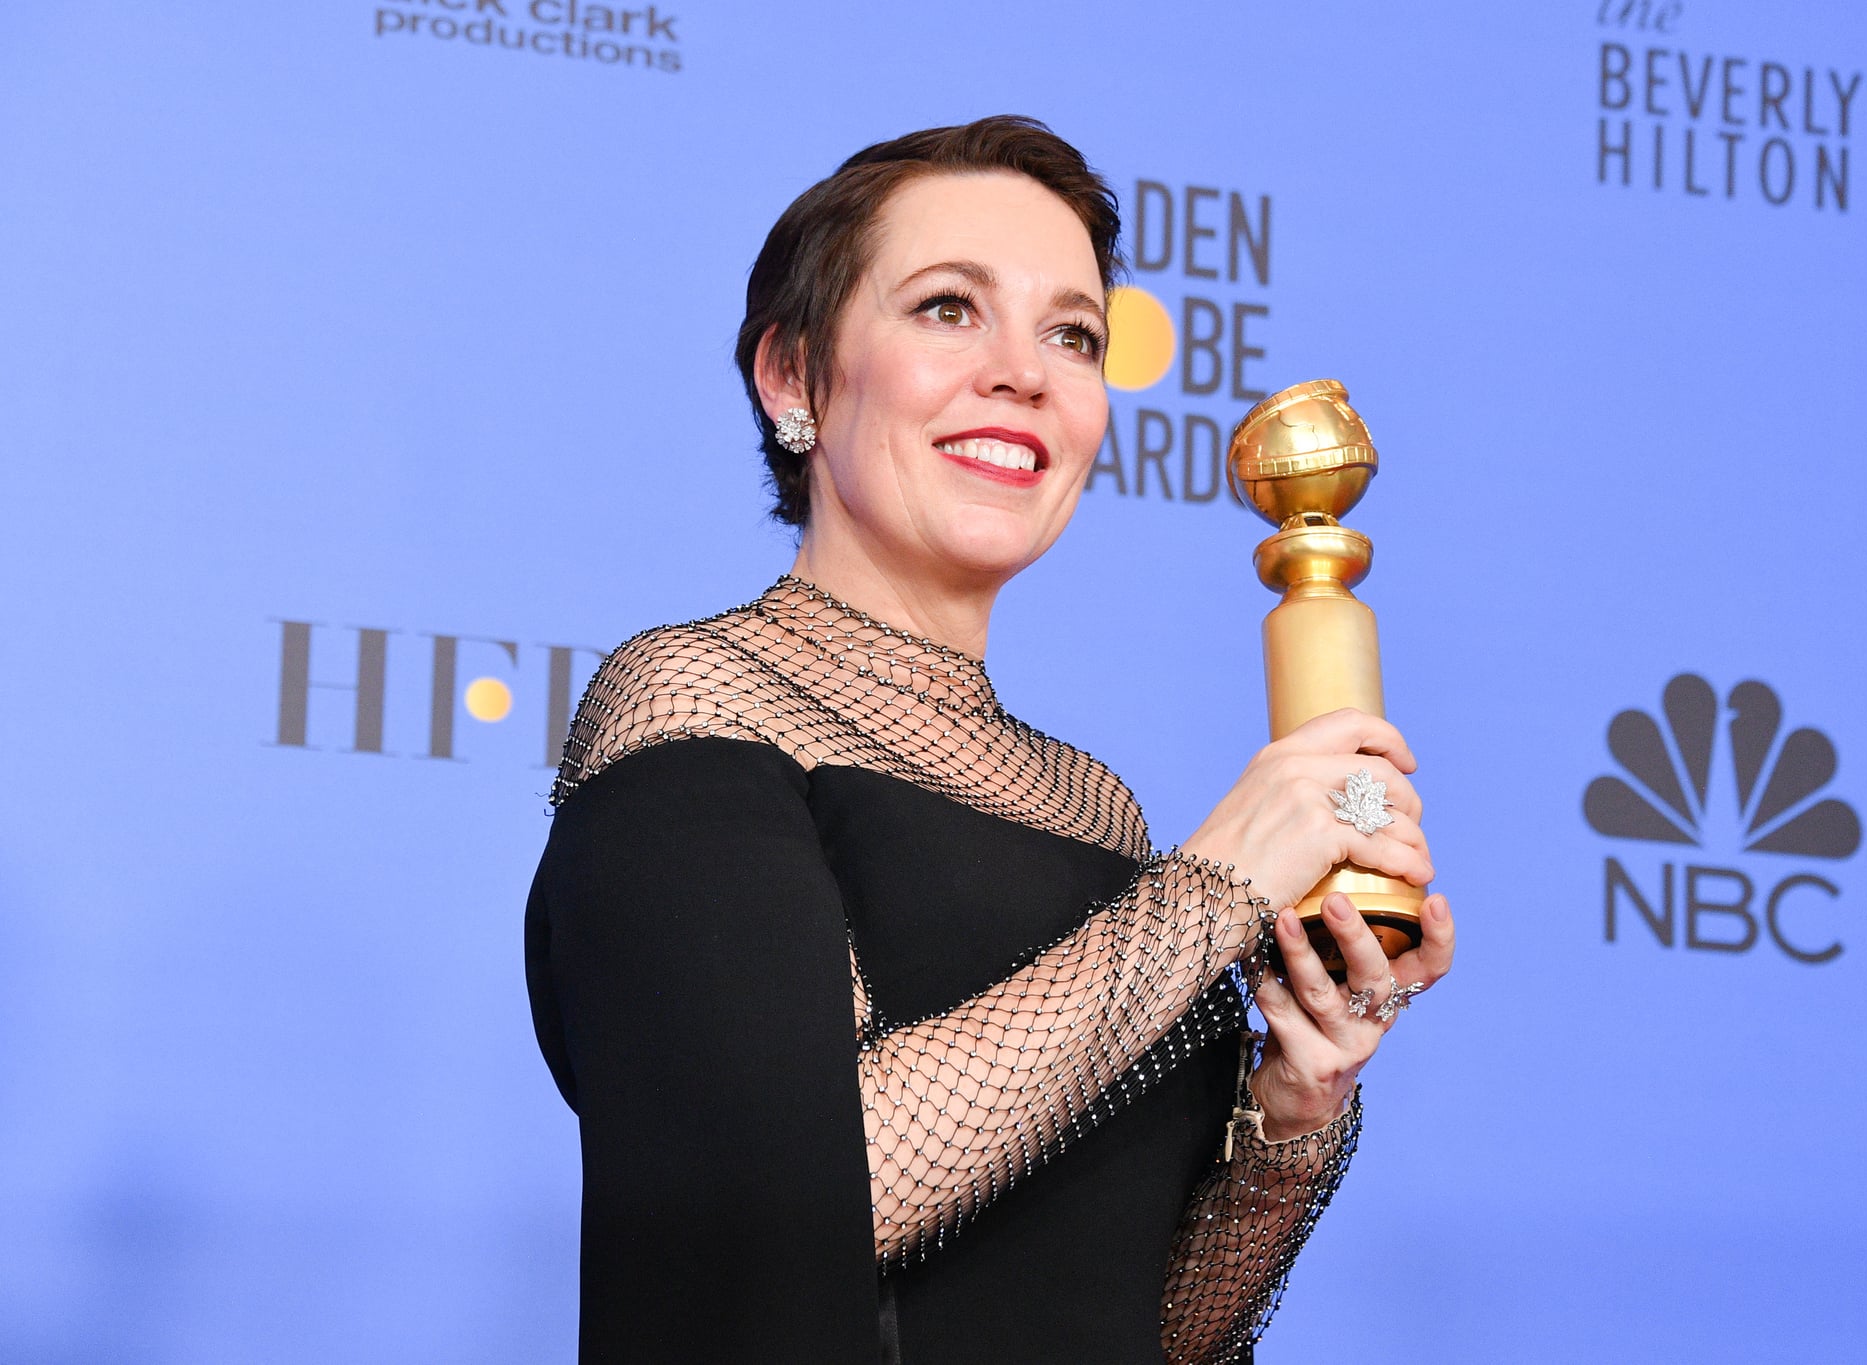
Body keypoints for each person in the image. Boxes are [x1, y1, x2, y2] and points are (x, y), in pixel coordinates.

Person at [523, 115, 1456, 1365]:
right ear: (793, 377)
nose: (1024, 371)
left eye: (1072, 334)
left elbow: (1154, 1333)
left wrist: (1293, 1104)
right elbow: (786, 1199)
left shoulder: (1091, 810)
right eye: (947, 309)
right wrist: (1218, 880)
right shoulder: (698, 696)